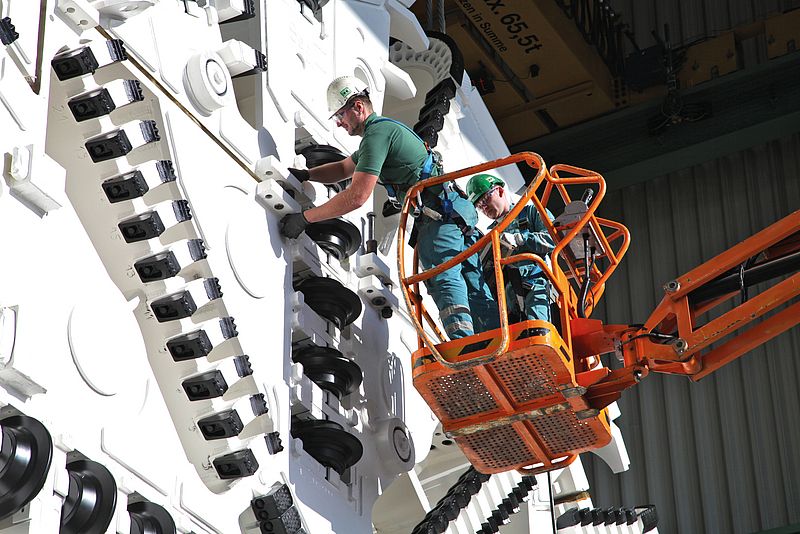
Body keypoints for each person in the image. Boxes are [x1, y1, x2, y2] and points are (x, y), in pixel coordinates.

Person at [279, 76, 498, 339]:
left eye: (340, 114)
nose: (339, 122)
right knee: (473, 284)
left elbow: (356, 197)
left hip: (440, 215)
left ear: (358, 107)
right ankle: (494, 342)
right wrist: (308, 175)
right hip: (453, 211)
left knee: (443, 277)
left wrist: (305, 218)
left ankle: (466, 347)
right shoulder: (381, 133)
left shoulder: (376, 135)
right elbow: (342, 169)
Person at [466, 173, 556, 323]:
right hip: (507, 299)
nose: (484, 207)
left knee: (538, 332)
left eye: (484, 199)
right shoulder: (490, 237)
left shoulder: (531, 213)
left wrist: (520, 239)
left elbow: (553, 239)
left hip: (535, 285)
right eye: (479, 206)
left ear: (500, 191)